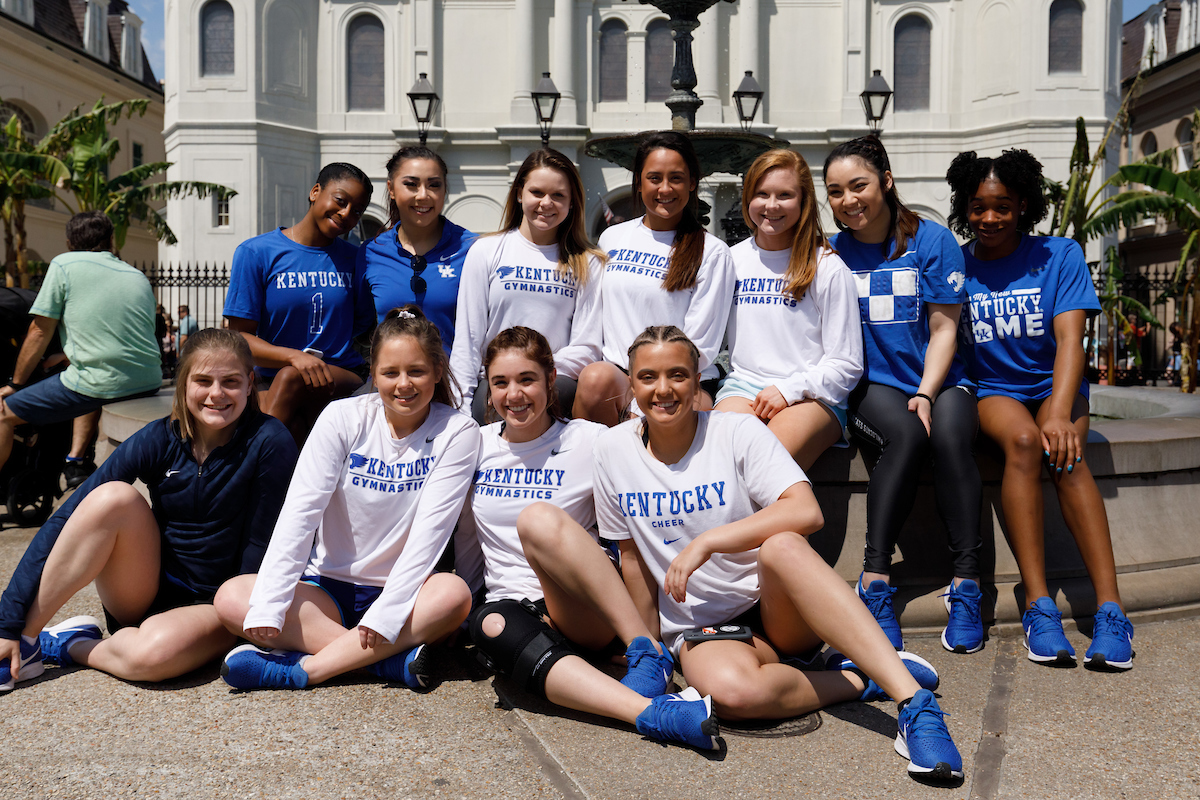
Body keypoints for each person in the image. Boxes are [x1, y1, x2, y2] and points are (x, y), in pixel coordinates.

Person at [593, 326, 963, 779]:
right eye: (648, 377)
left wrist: (708, 542)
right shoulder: (612, 450)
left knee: (784, 543)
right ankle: (862, 677)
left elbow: (806, 511)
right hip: (703, 625)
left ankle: (912, 701)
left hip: (778, 610)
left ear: (698, 382)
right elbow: (632, 559)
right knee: (734, 698)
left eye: (678, 375)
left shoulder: (735, 429)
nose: (664, 389)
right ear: (631, 385)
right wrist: (647, 644)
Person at [454, 326, 717, 749]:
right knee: (487, 624)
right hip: (519, 608)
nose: (514, 395)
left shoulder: (590, 439)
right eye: (500, 382)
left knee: (538, 519)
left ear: (550, 378)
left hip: (583, 604)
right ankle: (653, 714)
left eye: (527, 380)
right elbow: (468, 536)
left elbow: (654, 497)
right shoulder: (473, 444)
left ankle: (645, 648)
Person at [0, 329, 298, 691]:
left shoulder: (269, 441)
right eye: (202, 380)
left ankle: (73, 645)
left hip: (216, 601)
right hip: (145, 586)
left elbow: (264, 546)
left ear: (250, 384)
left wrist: (245, 624)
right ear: (183, 384)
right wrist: (8, 625)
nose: (216, 393)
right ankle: (28, 643)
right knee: (111, 497)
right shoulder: (160, 437)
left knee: (152, 656)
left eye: (231, 381)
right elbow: (69, 516)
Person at [214, 306, 480, 691]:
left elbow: (430, 537)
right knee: (232, 597)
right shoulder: (341, 417)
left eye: (416, 371)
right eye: (390, 373)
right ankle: (382, 664)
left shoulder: (458, 431)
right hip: (326, 589)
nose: (403, 384)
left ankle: (302, 671)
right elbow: (300, 513)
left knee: (454, 596)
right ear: (373, 373)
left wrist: (386, 614)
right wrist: (271, 604)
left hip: (405, 595)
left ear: (438, 371)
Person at [946, 148, 1134, 670]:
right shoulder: (957, 265)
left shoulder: (1060, 254)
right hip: (994, 389)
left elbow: (1071, 340)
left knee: (1067, 455)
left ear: (1024, 204)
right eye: (978, 206)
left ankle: (1111, 610)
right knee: (1026, 443)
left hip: (1056, 383)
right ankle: (1039, 605)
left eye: (1002, 206)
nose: (988, 218)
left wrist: (1059, 409)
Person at [823, 136, 984, 655]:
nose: (848, 199)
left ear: (886, 182)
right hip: (872, 385)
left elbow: (944, 330)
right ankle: (874, 582)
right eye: (835, 191)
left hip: (939, 378)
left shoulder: (931, 241)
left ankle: (966, 585)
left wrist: (926, 391)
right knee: (909, 436)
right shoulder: (830, 251)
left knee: (954, 437)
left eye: (859, 185)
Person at [574, 131, 736, 426]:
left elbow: (703, 345)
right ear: (639, 182)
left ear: (692, 183)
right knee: (594, 377)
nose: (665, 188)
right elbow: (595, 318)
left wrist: (648, 394)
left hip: (681, 379)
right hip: (620, 375)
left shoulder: (712, 252)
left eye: (676, 178)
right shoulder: (613, 238)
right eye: (654, 178)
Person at [715, 148, 863, 470]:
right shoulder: (729, 261)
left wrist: (787, 389)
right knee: (722, 460)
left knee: (767, 461)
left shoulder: (827, 267)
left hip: (814, 397)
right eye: (762, 194)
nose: (771, 205)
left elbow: (847, 364)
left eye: (784, 195)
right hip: (743, 388)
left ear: (803, 201)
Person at [0, 211, 162, 476]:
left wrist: (14, 384)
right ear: (111, 240)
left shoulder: (64, 264)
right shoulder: (136, 275)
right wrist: (65, 355)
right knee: (87, 381)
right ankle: (74, 460)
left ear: (68, 242)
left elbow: (39, 331)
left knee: (3, 413)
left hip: (98, 384)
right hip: (148, 380)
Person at [224, 163, 375, 441]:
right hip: (272, 379)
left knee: (291, 379)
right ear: (315, 191)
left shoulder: (356, 259)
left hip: (340, 375)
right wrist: (294, 356)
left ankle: (246, 467)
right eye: (341, 201)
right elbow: (238, 338)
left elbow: (364, 326)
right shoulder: (256, 252)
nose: (346, 214)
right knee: (290, 417)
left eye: (357, 211)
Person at [449, 149, 603, 421]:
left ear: (572, 203)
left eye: (558, 195)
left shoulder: (588, 263)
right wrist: (458, 408)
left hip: (555, 385)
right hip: (494, 386)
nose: (547, 203)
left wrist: (535, 372)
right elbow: (468, 339)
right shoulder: (486, 250)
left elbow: (587, 345)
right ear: (520, 193)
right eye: (537, 192)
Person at [358, 146, 476, 354]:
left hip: (452, 381)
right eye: (411, 185)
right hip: (390, 381)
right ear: (391, 189)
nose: (423, 195)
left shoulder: (473, 249)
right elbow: (359, 327)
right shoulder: (370, 252)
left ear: (445, 189)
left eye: (434, 185)